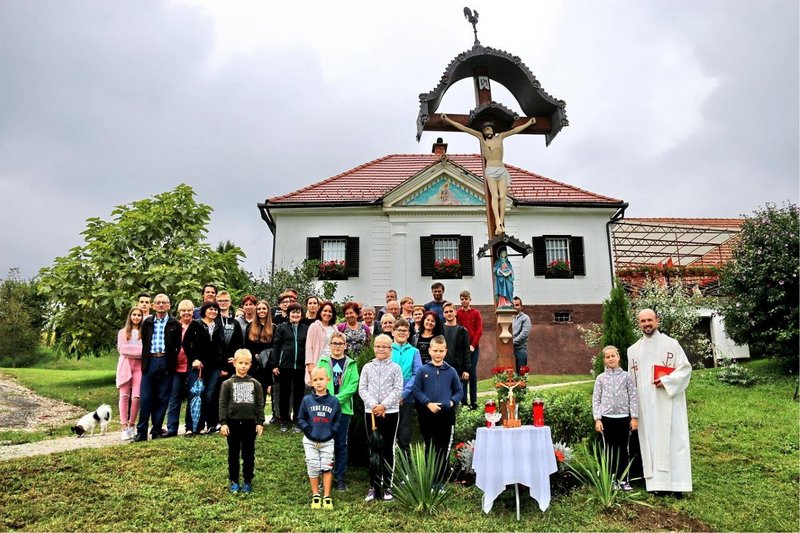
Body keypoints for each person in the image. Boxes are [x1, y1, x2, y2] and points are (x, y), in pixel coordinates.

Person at [628, 309, 692, 495]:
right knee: (650, 442)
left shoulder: (672, 345)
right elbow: (632, 383)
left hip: (669, 401)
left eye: (650, 320)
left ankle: (677, 485)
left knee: (674, 441)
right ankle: (657, 486)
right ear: (638, 323)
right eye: (643, 321)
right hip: (645, 405)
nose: (646, 324)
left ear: (657, 321)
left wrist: (666, 381)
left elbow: (685, 370)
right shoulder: (633, 351)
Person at [440, 113, 535, 235]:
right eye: (485, 129)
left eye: (488, 128)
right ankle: (497, 222)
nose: (487, 131)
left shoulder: (500, 137)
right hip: (490, 170)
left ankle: (501, 221)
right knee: (495, 196)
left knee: (503, 196)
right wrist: (448, 120)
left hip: (501, 169)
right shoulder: (480, 137)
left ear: (493, 129)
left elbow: (515, 130)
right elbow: (464, 128)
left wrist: (529, 123)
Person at [413, 335, 463, 484]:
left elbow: (459, 391)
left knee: (443, 446)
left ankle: (441, 480)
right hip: (428, 414)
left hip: (446, 414)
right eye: (435, 350)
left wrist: (452, 402)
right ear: (430, 351)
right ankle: (430, 478)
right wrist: (428, 404)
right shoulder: (423, 370)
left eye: (441, 351)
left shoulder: (451, 371)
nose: (438, 353)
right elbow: (417, 390)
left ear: (445, 351)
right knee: (430, 446)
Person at [359, 334, 403, 502]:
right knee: (374, 447)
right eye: (378, 346)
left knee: (388, 448)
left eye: (384, 346)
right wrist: (374, 406)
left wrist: (384, 406)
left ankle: (388, 486)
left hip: (390, 412)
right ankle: (374, 486)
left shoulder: (395, 368)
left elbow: (398, 389)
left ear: (390, 349)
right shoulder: (367, 367)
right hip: (371, 413)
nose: (381, 349)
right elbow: (362, 389)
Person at [135, 294, 182, 442]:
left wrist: (170, 361)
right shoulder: (147, 322)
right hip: (150, 361)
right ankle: (141, 432)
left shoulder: (175, 323)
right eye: (158, 303)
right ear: (153, 306)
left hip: (166, 362)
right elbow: (144, 343)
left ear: (169, 305)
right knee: (146, 398)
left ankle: (156, 430)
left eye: (164, 303)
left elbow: (177, 345)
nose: (161, 305)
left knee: (162, 398)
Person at [316, 331, 359, 492]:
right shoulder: (323, 362)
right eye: (334, 343)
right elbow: (319, 381)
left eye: (340, 344)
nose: (337, 346)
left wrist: (336, 400)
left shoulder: (351, 364)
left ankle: (340, 477)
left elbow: (353, 386)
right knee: (325, 444)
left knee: (341, 444)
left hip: (343, 410)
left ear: (345, 346)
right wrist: (329, 399)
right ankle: (324, 476)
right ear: (330, 345)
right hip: (324, 409)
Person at [219, 348, 265, 494]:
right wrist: (223, 423)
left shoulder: (255, 384)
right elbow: (223, 404)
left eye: (246, 363)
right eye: (241, 363)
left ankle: (247, 481)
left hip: (250, 423)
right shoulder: (227, 384)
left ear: (250, 364)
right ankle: (234, 480)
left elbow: (259, 404)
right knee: (233, 453)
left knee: (248, 453)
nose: (243, 366)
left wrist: (260, 422)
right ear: (234, 363)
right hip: (233, 423)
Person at [593, 345, 639, 490]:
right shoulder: (600, 378)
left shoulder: (626, 377)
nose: (611, 359)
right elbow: (596, 399)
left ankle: (624, 480)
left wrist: (634, 417)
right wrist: (598, 418)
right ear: (604, 360)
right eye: (608, 357)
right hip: (607, 419)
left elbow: (633, 397)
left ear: (618, 357)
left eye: (613, 356)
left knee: (624, 449)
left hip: (624, 418)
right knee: (609, 450)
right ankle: (611, 479)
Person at [297, 366, 342, 510]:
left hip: (327, 440)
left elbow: (338, 419)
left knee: (327, 467)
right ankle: (316, 495)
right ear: (311, 382)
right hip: (310, 441)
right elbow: (300, 418)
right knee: (313, 466)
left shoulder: (334, 401)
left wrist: (332, 432)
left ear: (328, 380)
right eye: (315, 380)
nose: (318, 382)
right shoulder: (307, 400)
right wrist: (308, 430)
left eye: (321, 379)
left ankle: (327, 496)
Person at [182, 301, 226, 435]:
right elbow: (186, 343)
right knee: (195, 394)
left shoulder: (218, 325)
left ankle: (202, 426)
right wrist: (193, 359)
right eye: (210, 309)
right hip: (197, 367)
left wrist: (223, 366)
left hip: (214, 367)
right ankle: (190, 427)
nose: (213, 311)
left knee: (208, 396)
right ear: (204, 310)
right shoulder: (195, 324)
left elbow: (222, 347)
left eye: (215, 309)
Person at [271, 302, 309, 433]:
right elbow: (276, 346)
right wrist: (275, 364)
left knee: (299, 393)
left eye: (298, 312)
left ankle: (298, 420)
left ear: (301, 314)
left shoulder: (305, 328)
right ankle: (284, 420)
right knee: (284, 393)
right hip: (284, 366)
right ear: (288, 314)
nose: (295, 314)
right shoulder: (281, 327)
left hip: (300, 366)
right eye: (293, 312)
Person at [390, 319, 422, 460]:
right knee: (389, 432)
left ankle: (405, 465)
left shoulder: (414, 352)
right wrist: (392, 396)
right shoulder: (387, 349)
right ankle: (389, 464)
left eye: (405, 330)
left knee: (404, 431)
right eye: (399, 330)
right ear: (393, 332)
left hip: (406, 398)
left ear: (409, 333)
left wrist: (403, 394)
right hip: (388, 397)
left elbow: (417, 374)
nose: (402, 333)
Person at [165, 299, 194, 437]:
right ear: (179, 312)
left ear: (193, 312)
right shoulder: (174, 326)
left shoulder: (196, 326)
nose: (186, 313)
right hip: (177, 367)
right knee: (174, 396)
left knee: (192, 396)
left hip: (192, 366)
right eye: (183, 310)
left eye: (189, 310)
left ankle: (190, 427)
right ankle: (172, 428)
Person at [116, 307, 144, 441]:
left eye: (139, 315)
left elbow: (145, 351)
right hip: (125, 367)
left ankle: (132, 424)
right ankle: (124, 427)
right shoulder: (122, 332)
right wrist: (138, 351)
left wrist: (132, 350)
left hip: (139, 368)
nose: (136, 317)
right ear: (130, 316)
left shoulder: (144, 332)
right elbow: (122, 349)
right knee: (124, 396)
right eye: (134, 315)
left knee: (136, 397)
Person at [244, 300, 274, 418]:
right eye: (259, 309)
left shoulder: (273, 327)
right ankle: (250, 415)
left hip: (266, 366)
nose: (262, 311)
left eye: (264, 309)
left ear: (268, 311)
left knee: (262, 391)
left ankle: (260, 417)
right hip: (253, 365)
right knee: (252, 390)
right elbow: (246, 346)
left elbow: (273, 348)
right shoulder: (250, 327)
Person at [457, 290, 483, 410]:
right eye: (462, 299)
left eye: (466, 298)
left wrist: (473, 344)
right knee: (463, 373)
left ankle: (474, 401)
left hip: (473, 347)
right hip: (463, 348)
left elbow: (479, 330)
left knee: (472, 372)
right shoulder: (458, 313)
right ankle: (464, 401)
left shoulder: (475, 313)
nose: (464, 301)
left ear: (470, 299)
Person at [441, 302, 471, 403]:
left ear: (455, 312)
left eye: (451, 311)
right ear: (443, 314)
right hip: (443, 367)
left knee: (460, 397)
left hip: (459, 368)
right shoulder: (440, 330)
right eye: (446, 312)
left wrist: (467, 369)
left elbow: (466, 351)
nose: (449, 313)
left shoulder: (462, 330)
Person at [305, 301, 337, 385]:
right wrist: (310, 364)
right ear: (320, 312)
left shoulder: (334, 328)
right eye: (325, 311)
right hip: (319, 362)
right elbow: (309, 347)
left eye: (330, 312)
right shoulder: (314, 326)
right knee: (319, 387)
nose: (327, 313)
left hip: (332, 362)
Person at [512, 297, 531, 375]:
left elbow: (524, 334)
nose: (515, 307)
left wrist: (513, 342)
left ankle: (522, 387)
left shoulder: (525, 318)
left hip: (520, 349)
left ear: (521, 306)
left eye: (517, 305)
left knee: (521, 374)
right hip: (508, 350)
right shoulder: (507, 318)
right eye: (513, 305)